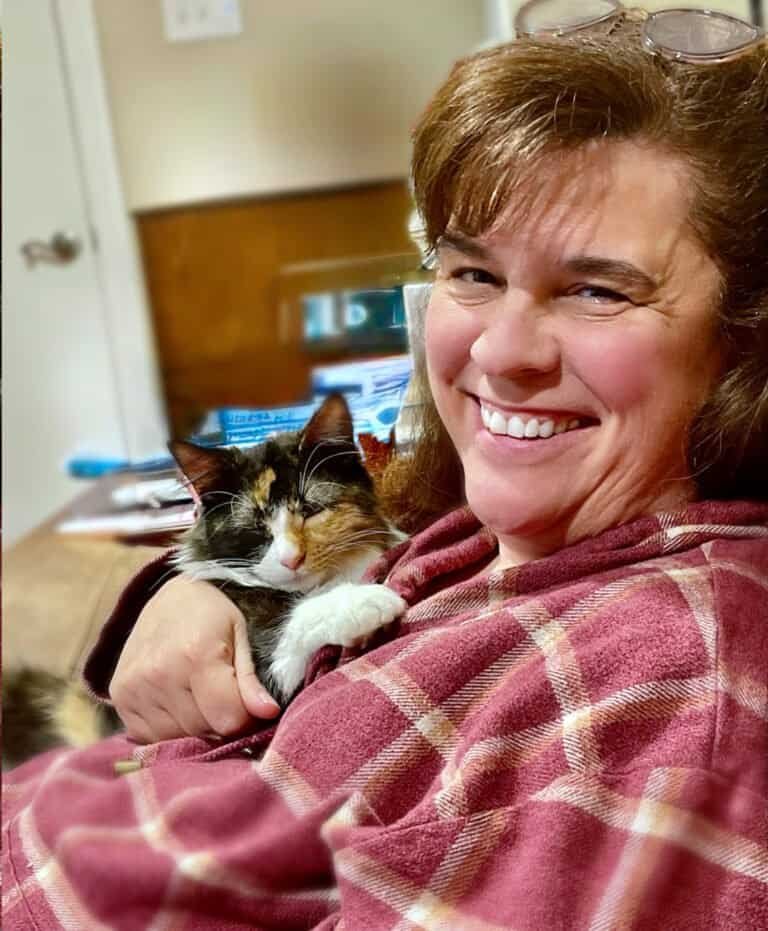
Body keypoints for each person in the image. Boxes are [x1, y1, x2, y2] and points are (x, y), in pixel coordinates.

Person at [4, 5, 767, 928]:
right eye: (472, 274)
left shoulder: (663, 706)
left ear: (740, 342)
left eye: (597, 289)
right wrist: (201, 595)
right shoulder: (509, 523)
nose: (501, 351)